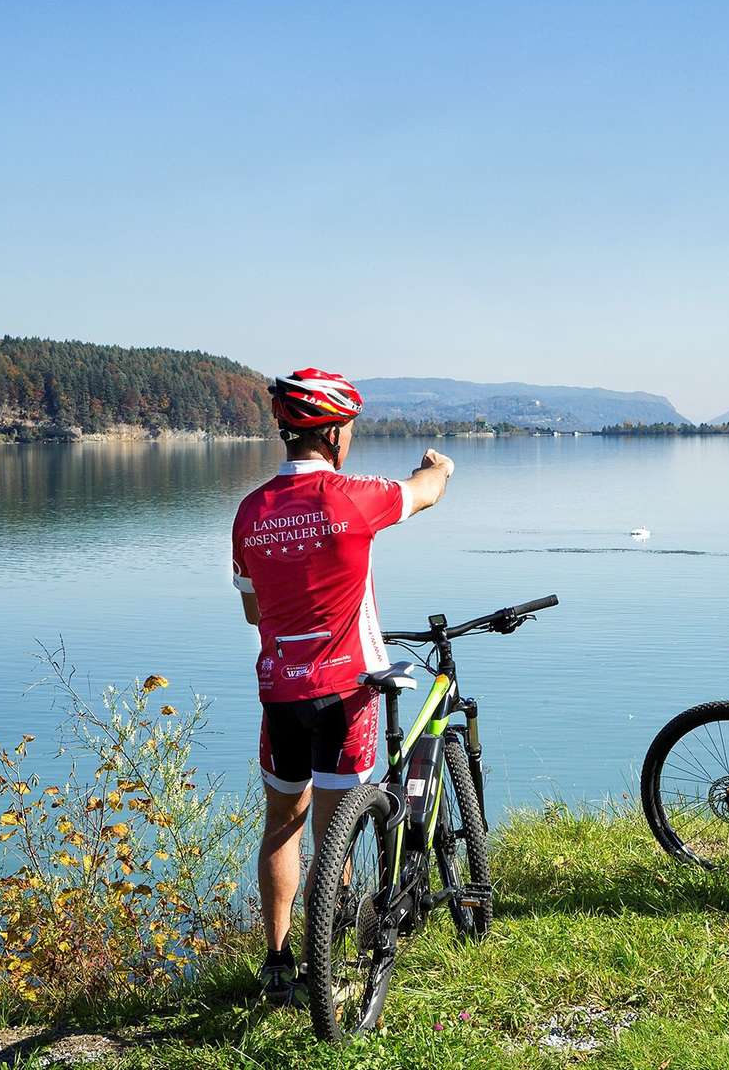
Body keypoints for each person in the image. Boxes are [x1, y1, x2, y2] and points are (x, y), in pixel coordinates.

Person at [231, 368, 454, 1003]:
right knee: (335, 838)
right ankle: (323, 967)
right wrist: (440, 466)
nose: (350, 439)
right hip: (345, 691)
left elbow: (254, 611)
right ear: (331, 433)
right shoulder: (354, 496)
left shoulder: (250, 512)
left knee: (282, 825)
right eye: (349, 429)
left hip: (280, 691)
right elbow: (426, 490)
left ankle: (277, 967)